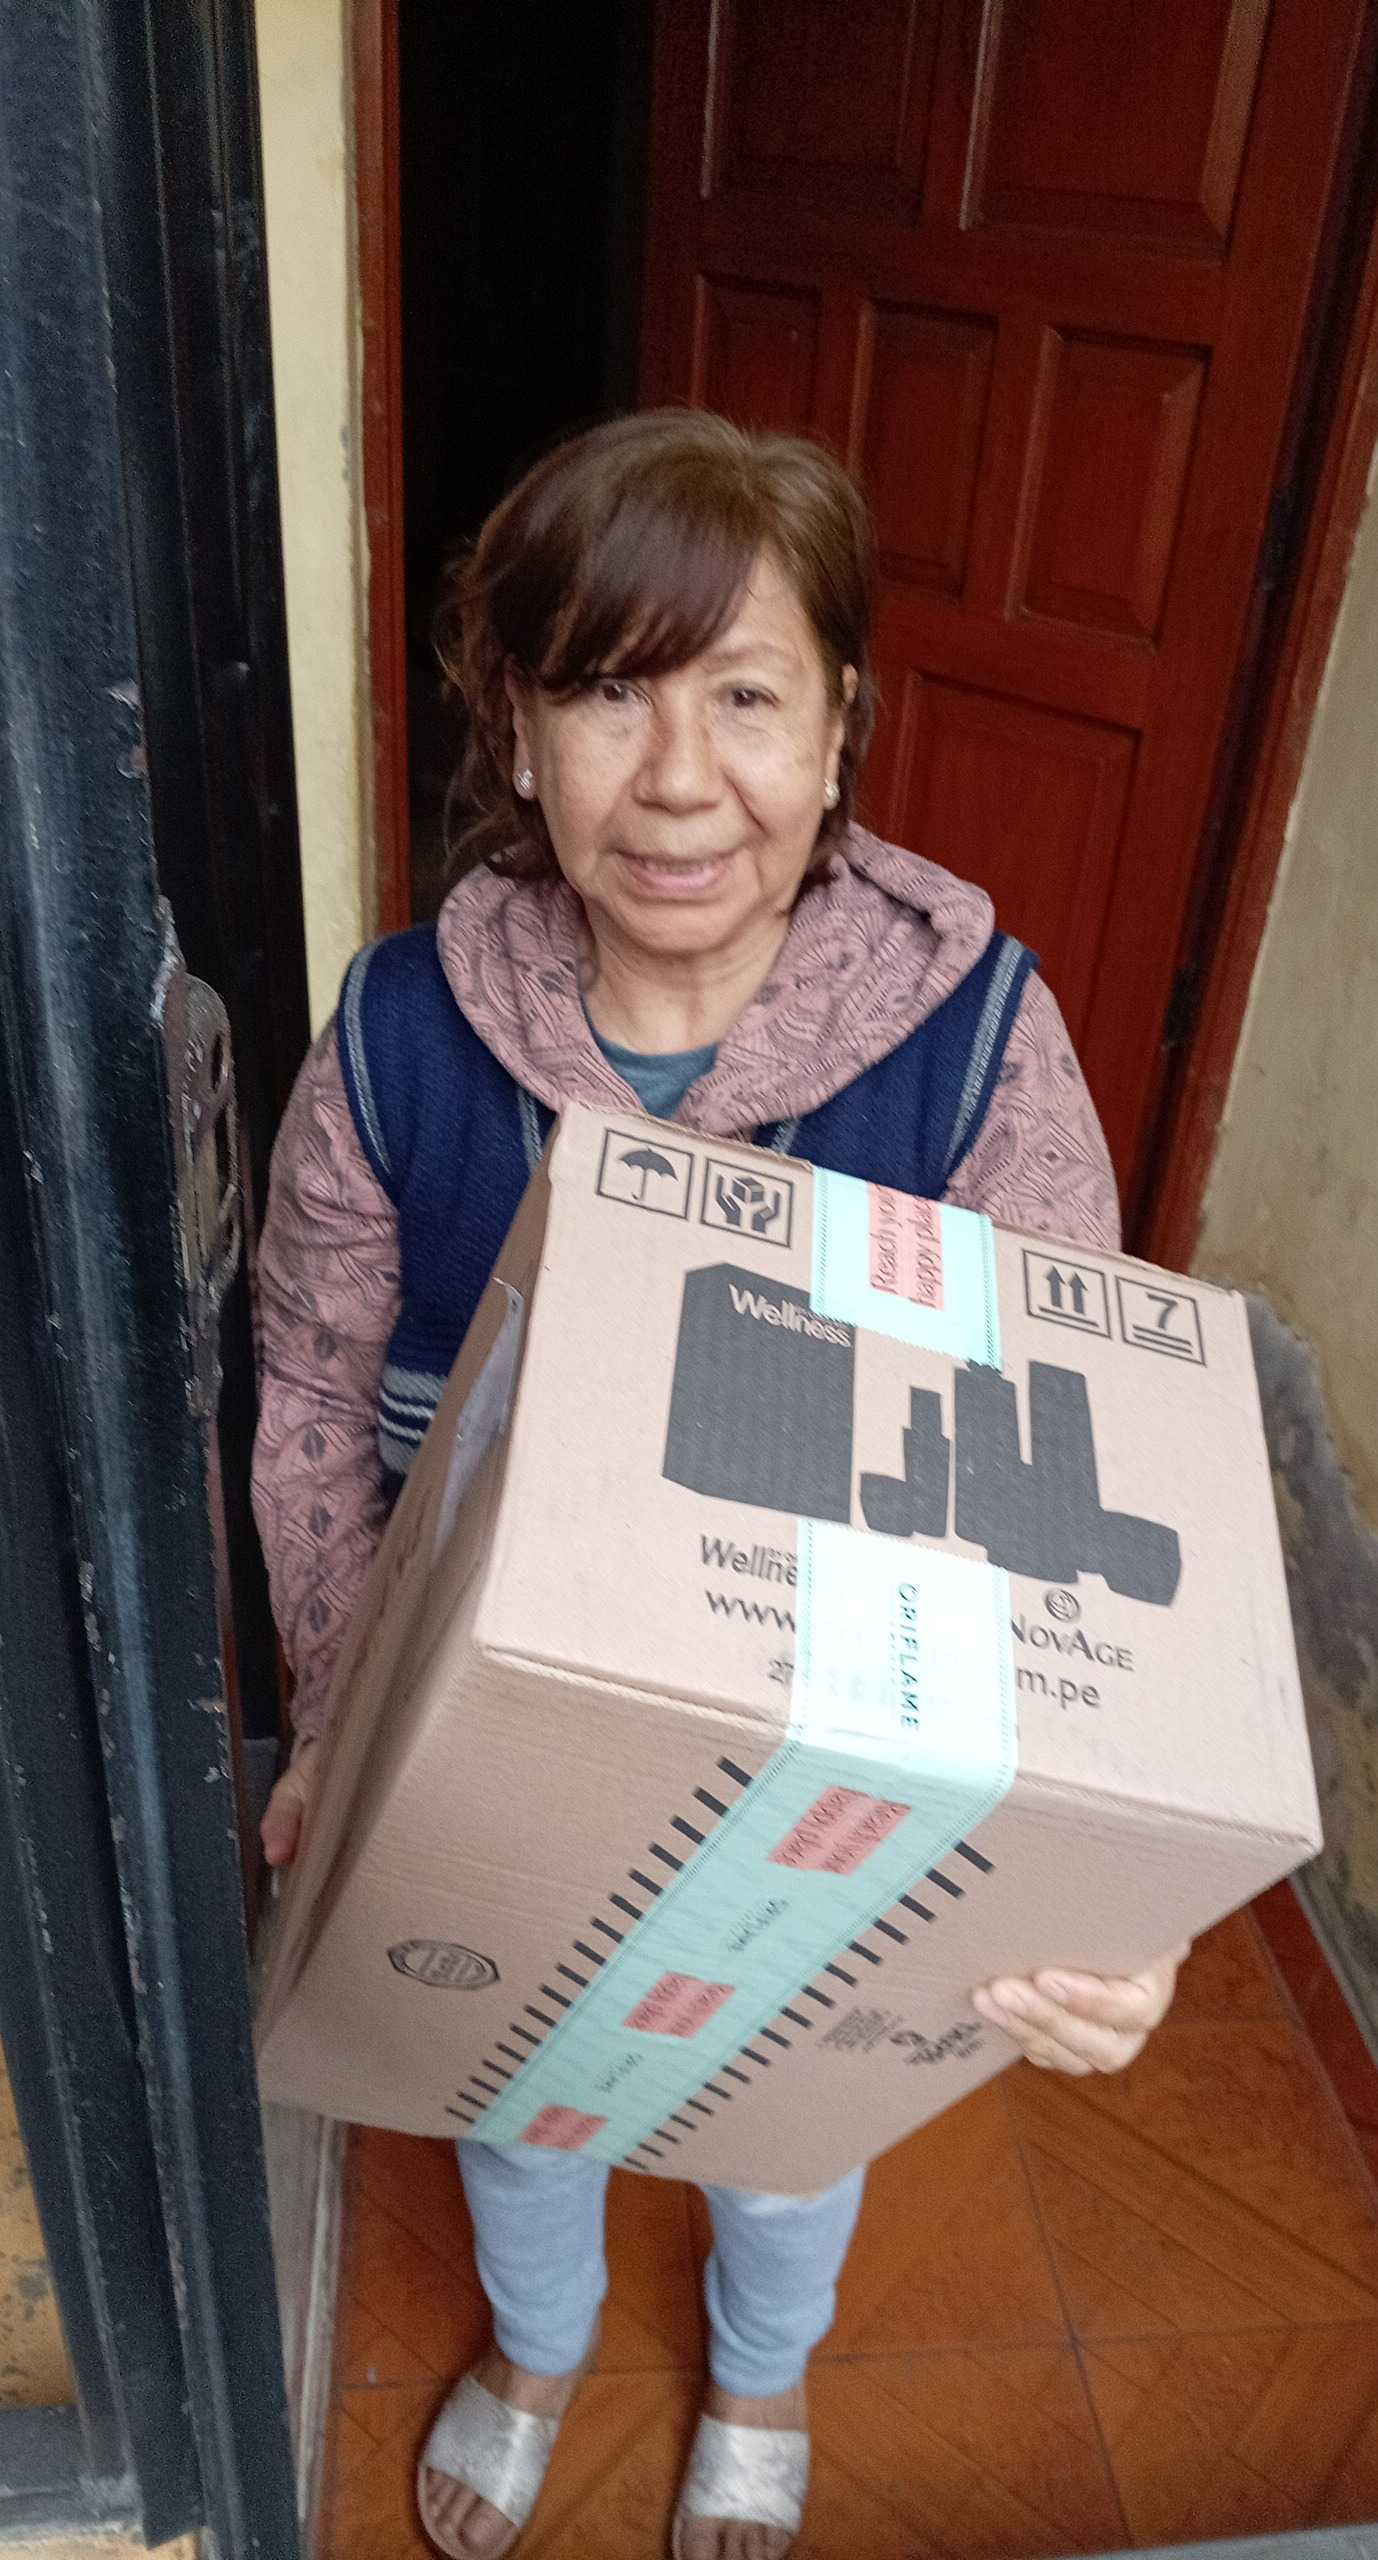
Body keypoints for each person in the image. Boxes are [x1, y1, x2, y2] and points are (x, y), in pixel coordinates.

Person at [253, 409, 1184, 2560]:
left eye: (747, 697)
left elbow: (1089, 1488)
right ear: (516, 725)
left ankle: (759, 2375)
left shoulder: (972, 1046)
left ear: (842, 724)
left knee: (790, 2123)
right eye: (606, 691)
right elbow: (308, 1383)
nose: (679, 780)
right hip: (512, 1744)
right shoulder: (398, 1036)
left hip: (836, 1744)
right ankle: (541, 2343)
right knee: (519, 2091)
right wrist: (343, 1715)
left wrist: (1092, 1894)